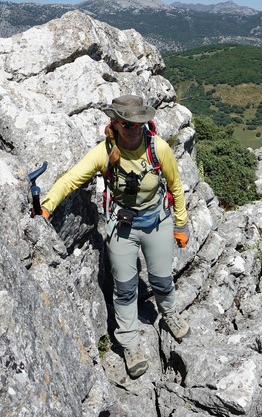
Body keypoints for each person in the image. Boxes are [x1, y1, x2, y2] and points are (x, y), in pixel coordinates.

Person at [38, 95, 191, 379]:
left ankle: (169, 313)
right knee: (124, 287)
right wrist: (47, 205)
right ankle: (130, 344)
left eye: (139, 123)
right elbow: (71, 178)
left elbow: (175, 186)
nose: (135, 128)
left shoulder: (159, 149)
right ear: (116, 124)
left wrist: (180, 225)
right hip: (122, 226)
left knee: (160, 277)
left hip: (157, 221)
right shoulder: (104, 152)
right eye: (128, 124)